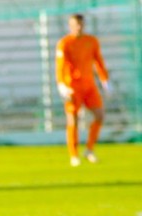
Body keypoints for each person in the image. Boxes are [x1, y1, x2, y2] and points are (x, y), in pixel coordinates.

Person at [56, 13, 110, 167]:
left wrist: (105, 80)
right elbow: (60, 66)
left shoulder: (91, 41)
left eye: (80, 24)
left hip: (89, 86)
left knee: (99, 115)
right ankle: (74, 154)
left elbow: (98, 61)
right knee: (73, 119)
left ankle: (89, 149)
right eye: (75, 25)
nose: (78, 27)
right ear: (70, 26)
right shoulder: (64, 43)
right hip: (72, 86)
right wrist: (61, 85)